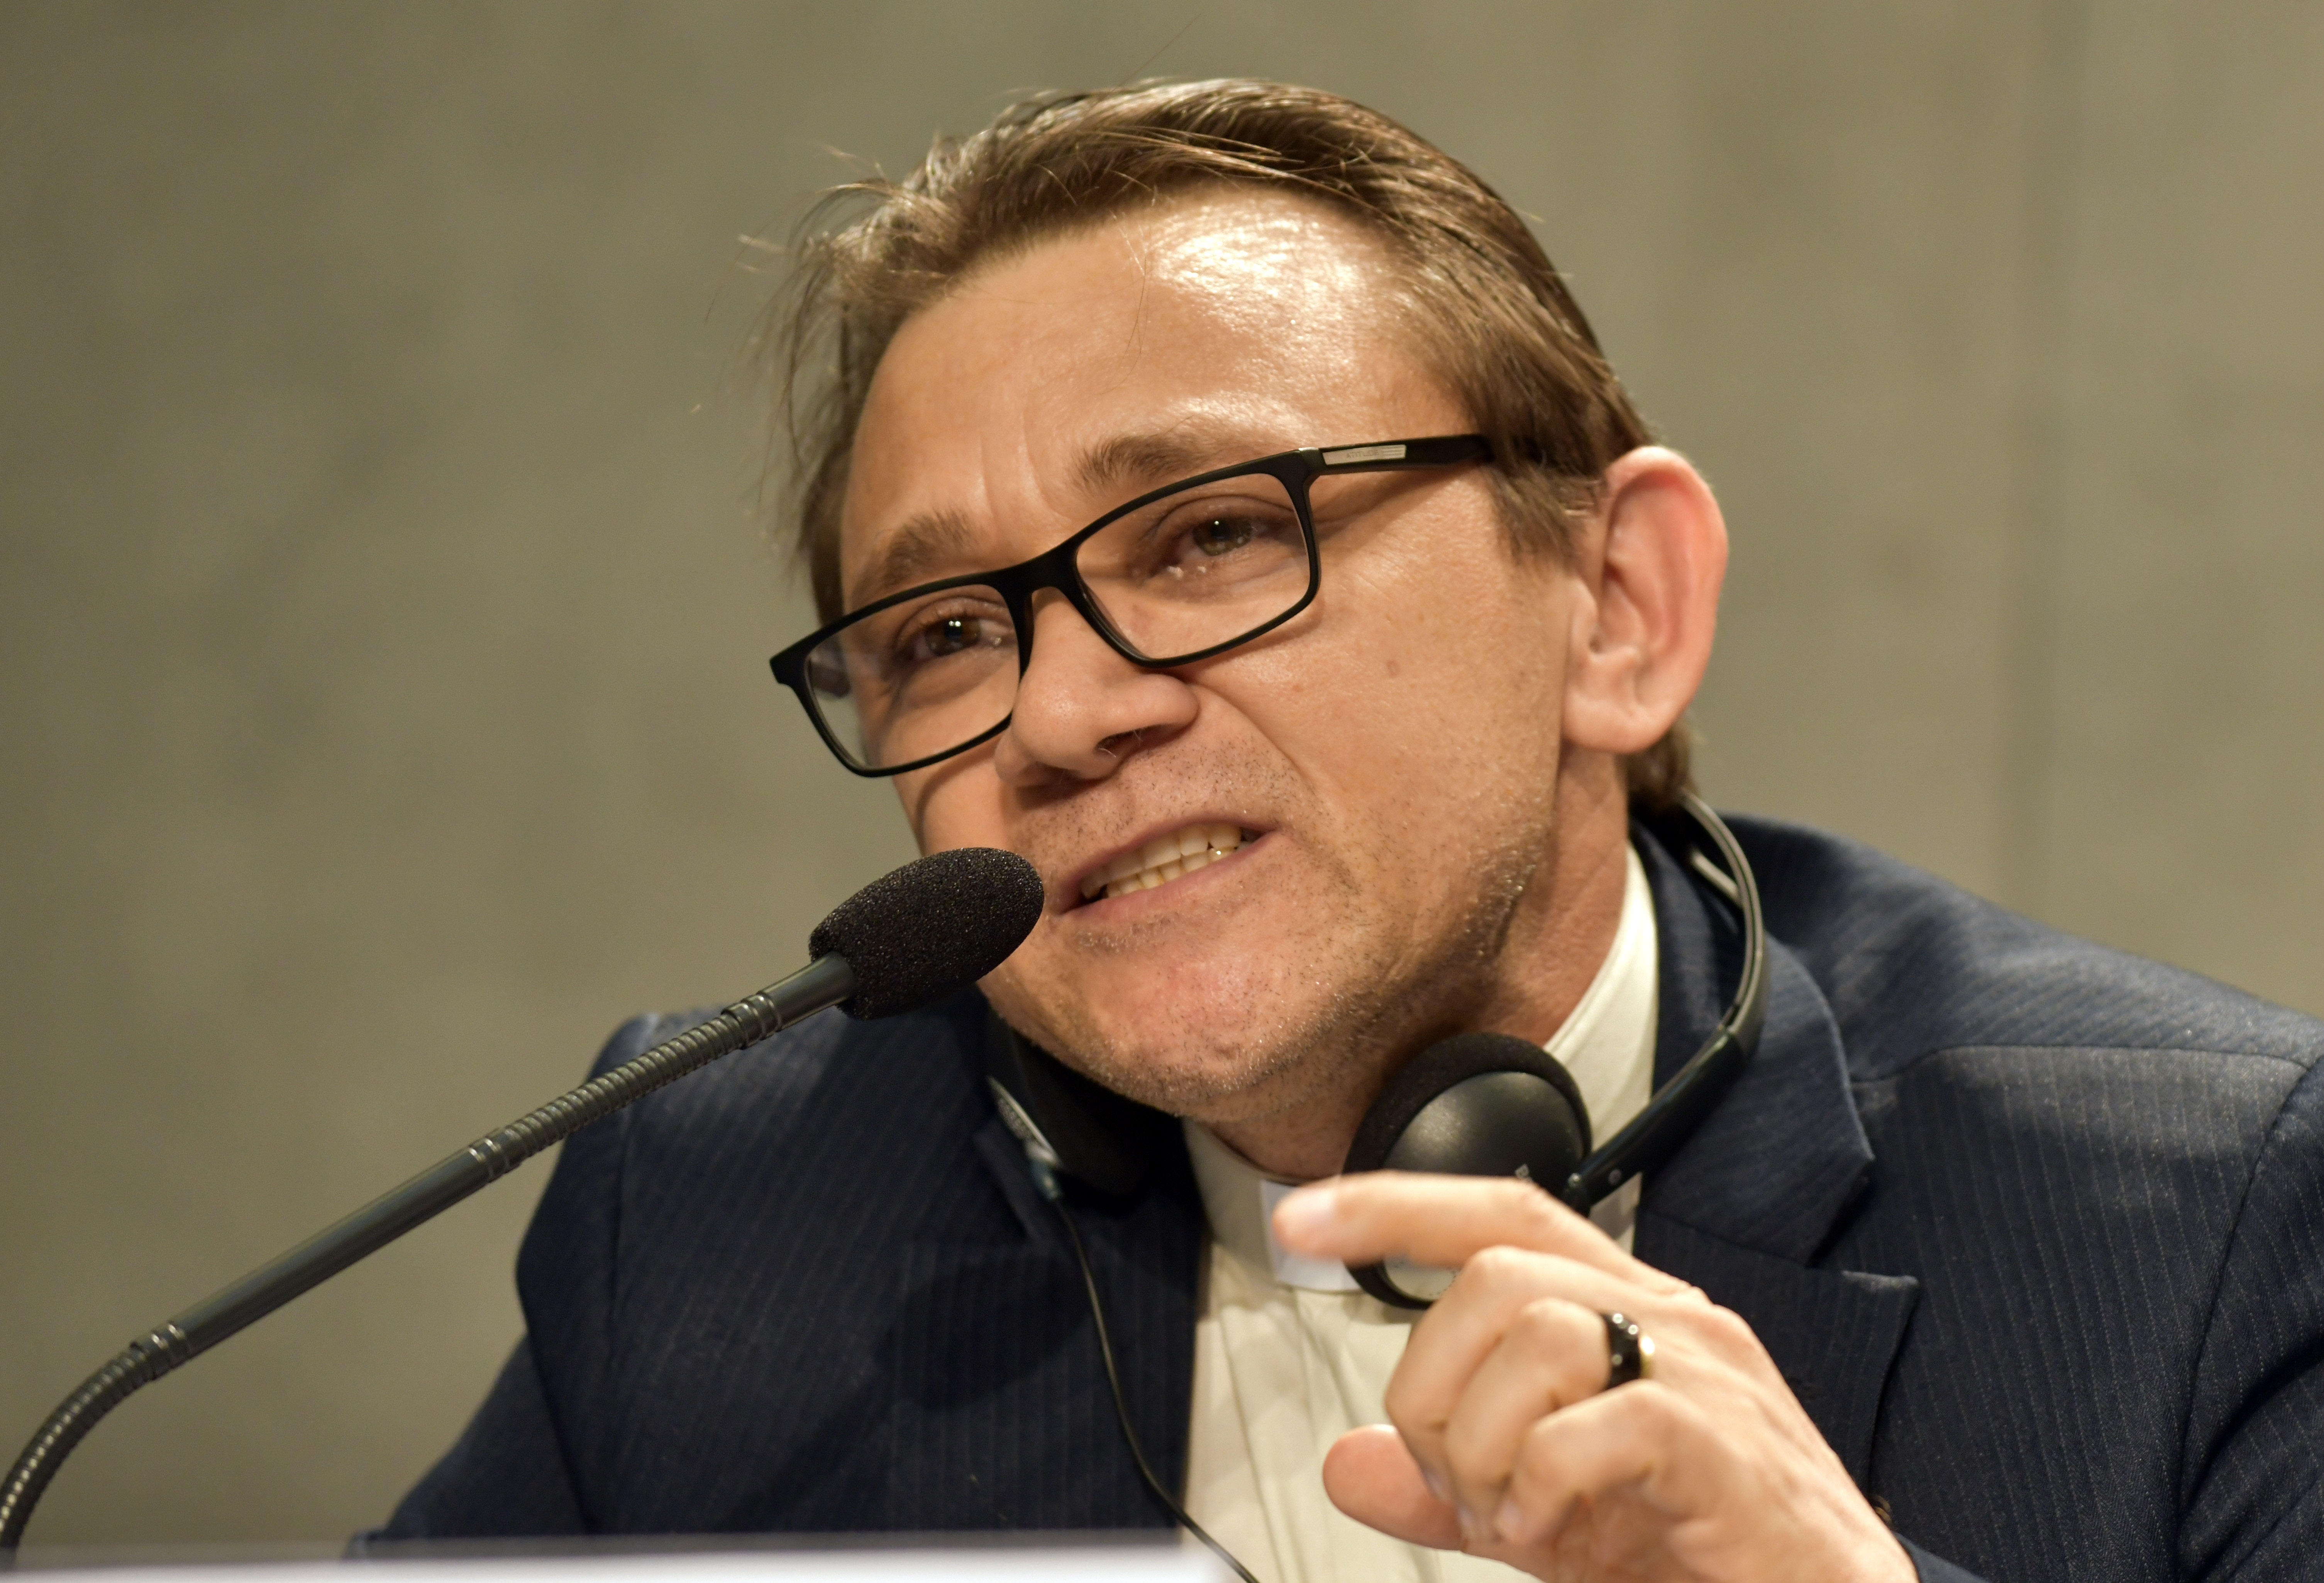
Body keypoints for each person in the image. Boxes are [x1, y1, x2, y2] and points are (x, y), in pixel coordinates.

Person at [371, 81, 2324, 1582]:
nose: (1059, 716)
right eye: (944, 634)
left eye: (1215, 533)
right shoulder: (713, 1212)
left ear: (1616, 607)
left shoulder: (2217, 1221)